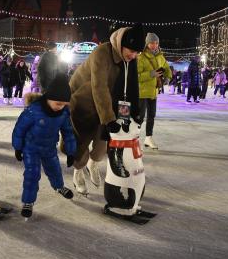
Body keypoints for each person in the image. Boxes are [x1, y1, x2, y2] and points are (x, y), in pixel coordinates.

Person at [69, 24, 145, 195]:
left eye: (136, 53)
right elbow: (99, 87)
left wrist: (134, 112)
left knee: (103, 143)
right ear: (121, 44)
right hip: (83, 102)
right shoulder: (101, 53)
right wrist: (109, 119)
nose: (133, 56)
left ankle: (93, 164)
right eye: (131, 51)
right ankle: (78, 171)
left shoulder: (130, 59)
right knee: (81, 143)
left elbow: (131, 88)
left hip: (106, 106)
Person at [12, 73, 76, 218]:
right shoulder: (33, 110)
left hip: (49, 147)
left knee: (55, 169)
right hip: (31, 148)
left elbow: (68, 132)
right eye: (58, 104)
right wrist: (18, 147)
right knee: (32, 174)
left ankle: (59, 187)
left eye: (64, 104)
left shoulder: (63, 113)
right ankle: (28, 202)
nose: (60, 107)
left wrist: (71, 152)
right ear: (48, 98)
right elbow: (19, 128)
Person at [137, 32, 172, 149]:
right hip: (142, 93)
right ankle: (135, 138)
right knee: (140, 116)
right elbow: (136, 76)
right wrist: (151, 74)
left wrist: (168, 77)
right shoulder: (141, 57)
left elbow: (167, 68)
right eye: (152, 43)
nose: (154, 45)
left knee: (152, 115)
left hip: (153, 92)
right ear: (147, 44)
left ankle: (148, 138)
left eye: (156, 43)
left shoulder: (160, 57)